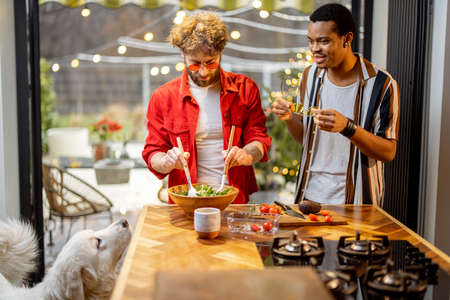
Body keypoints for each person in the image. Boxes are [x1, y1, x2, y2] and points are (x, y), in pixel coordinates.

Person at [272, 3, 400, 206]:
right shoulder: (310, 76)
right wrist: (289, 118)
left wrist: (348, 128)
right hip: (310, 196)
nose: (315, 49)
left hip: (357, 202)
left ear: (347, 39)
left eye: (323, 41)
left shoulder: (381, 84)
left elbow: (388, 152)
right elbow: (304, 139)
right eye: (311, 41)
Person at [142, 12, 271, 204]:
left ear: (220, 53)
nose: (203, 72)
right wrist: (167, 161)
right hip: (186, 199)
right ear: (182, 54)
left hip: (233, 197)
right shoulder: (163, 97)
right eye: (194, 65)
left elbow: (258, 138)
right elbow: (153, 151)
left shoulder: (245, 89)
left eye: (211, 62)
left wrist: (247, 155)